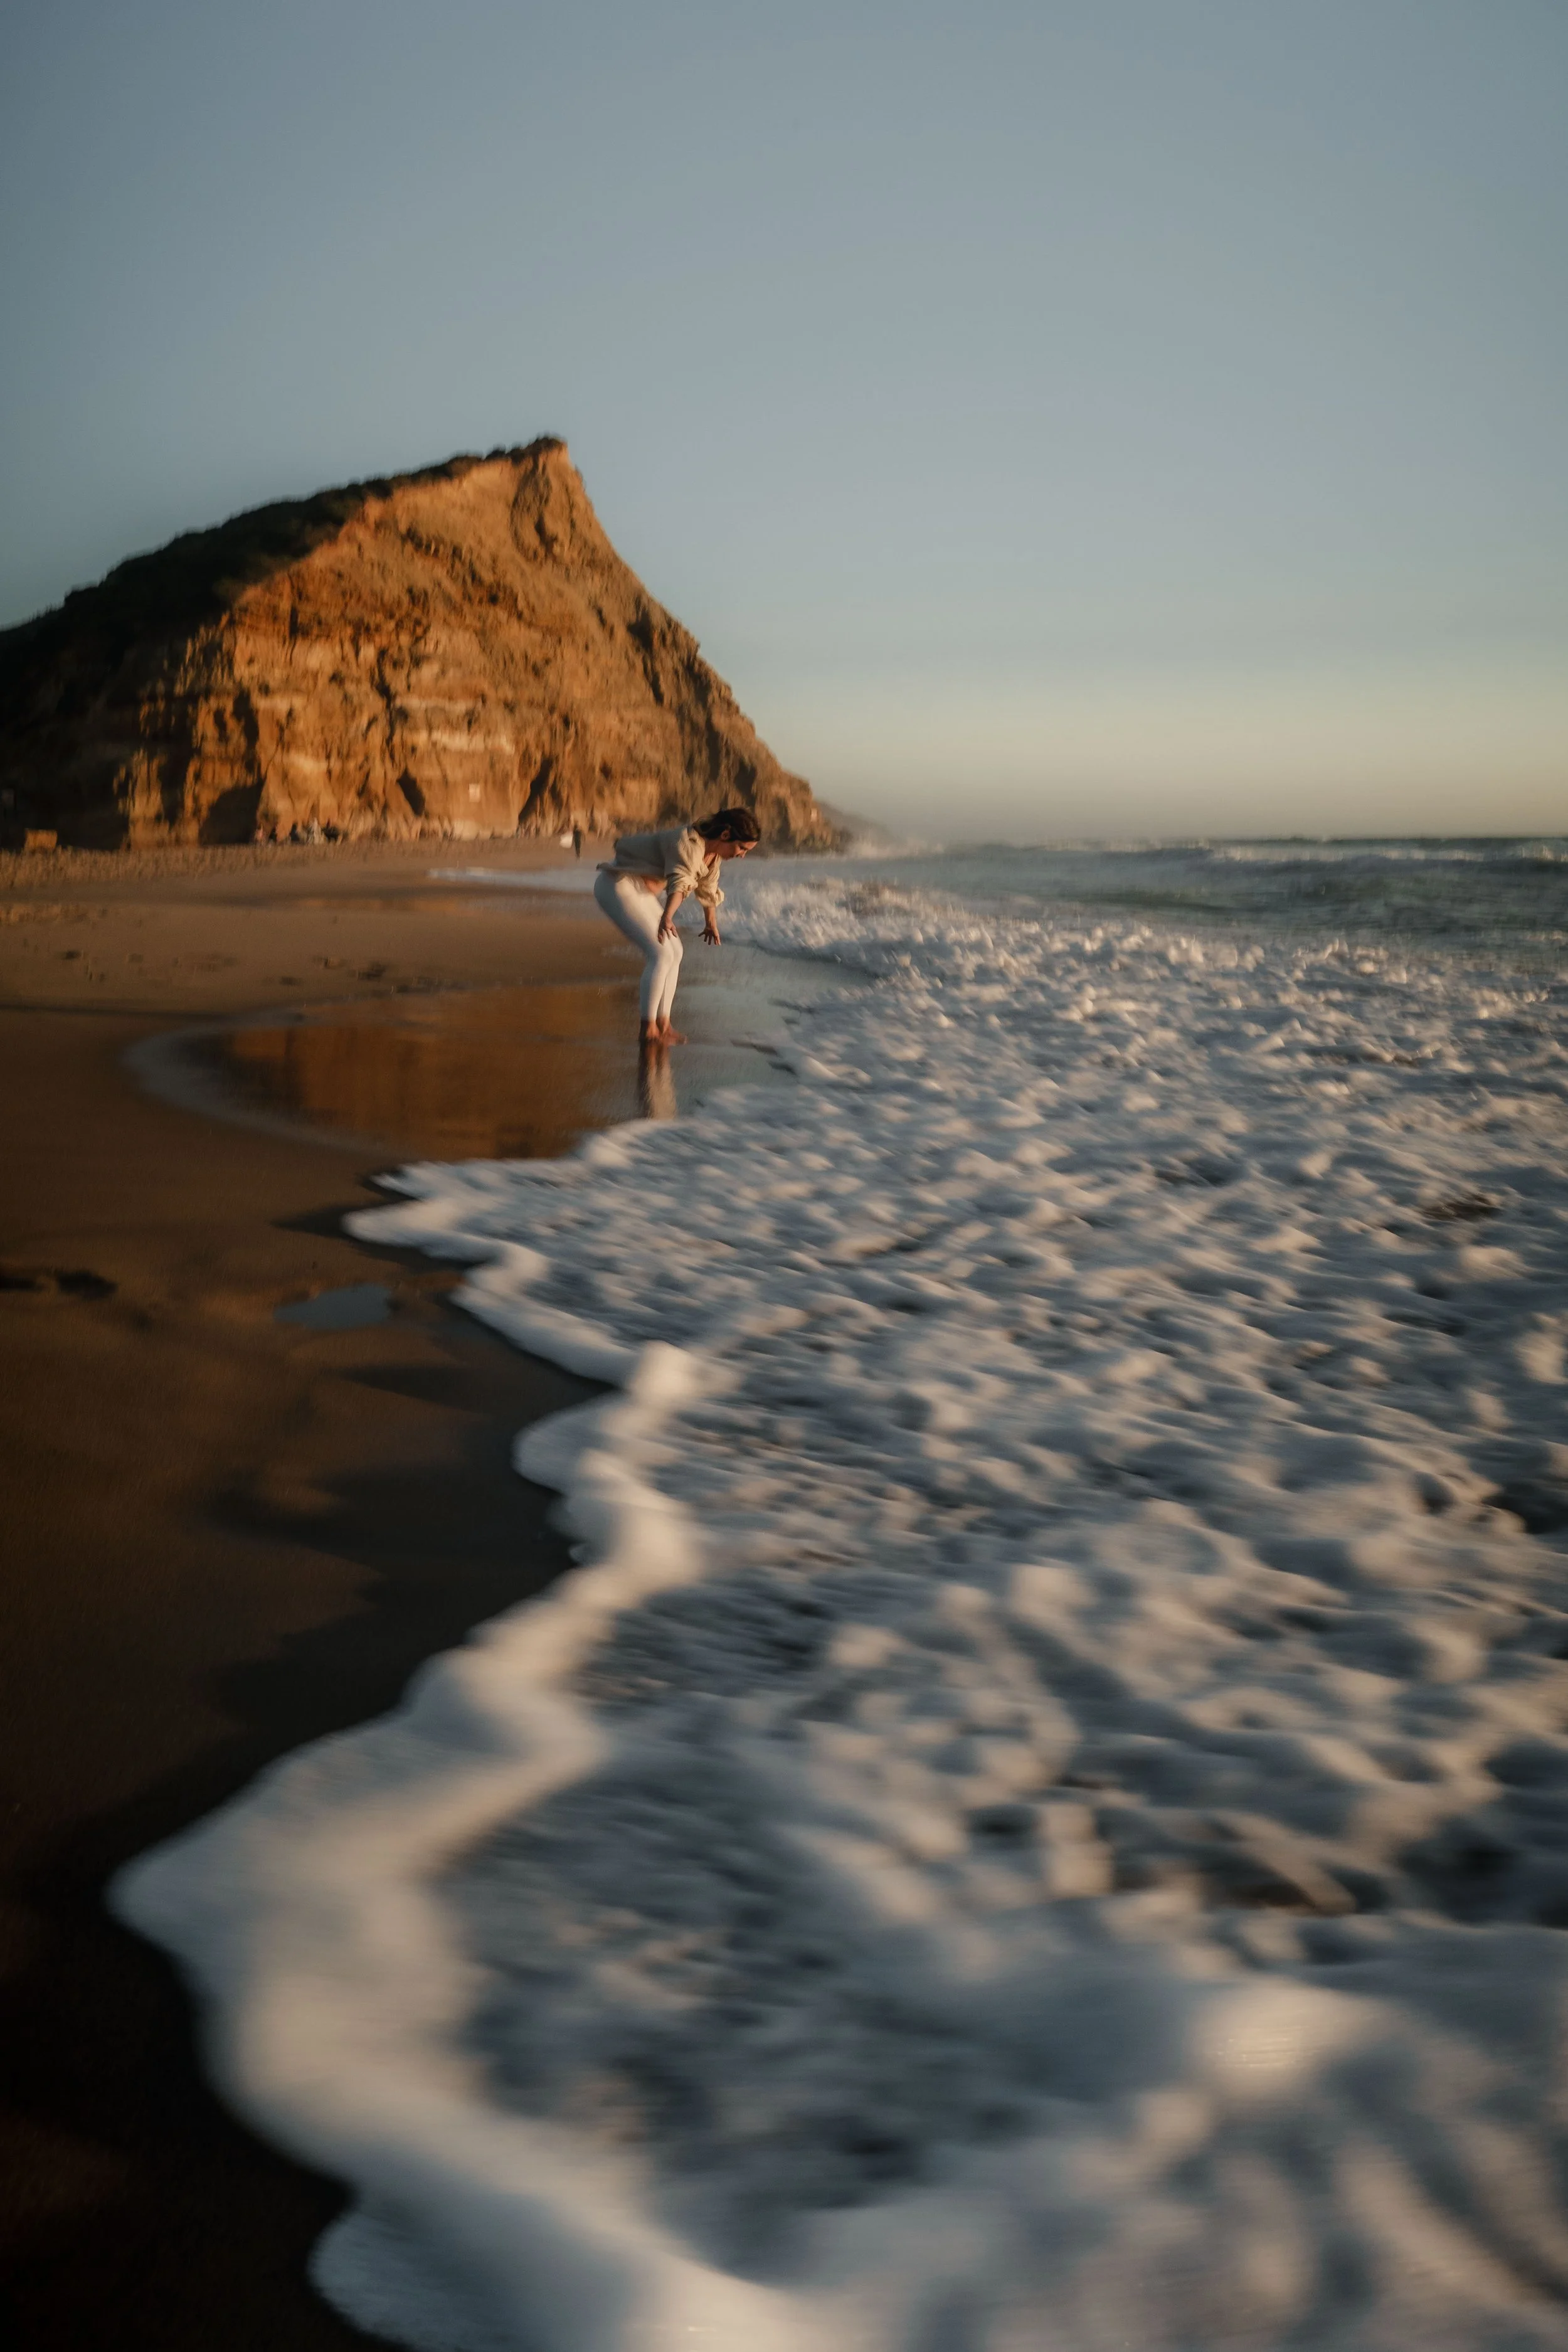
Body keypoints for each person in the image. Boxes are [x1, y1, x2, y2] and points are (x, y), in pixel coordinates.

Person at [593, 807, 760, 1045]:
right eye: (742, 848)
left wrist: (710, 923)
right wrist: (668, 916)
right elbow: (680, 882)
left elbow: (708, 889)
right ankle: (648, 1029)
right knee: (661, 953)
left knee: (676, 951)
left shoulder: (712, 856)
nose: (743, 855)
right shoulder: (688, 843)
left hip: (639, 888)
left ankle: (664, 1024)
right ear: (725, 835)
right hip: (617, 884)